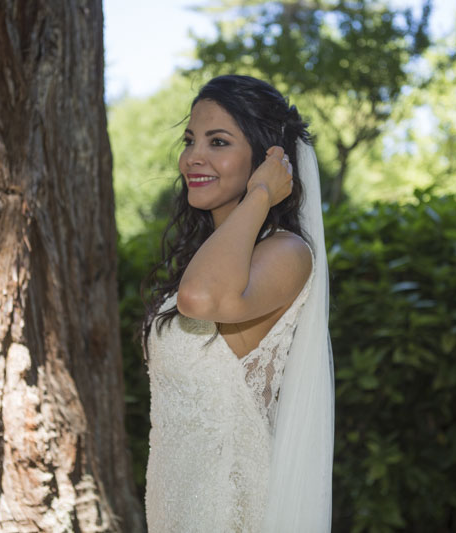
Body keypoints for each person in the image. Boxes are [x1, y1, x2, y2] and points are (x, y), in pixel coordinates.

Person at [141, 75, 334, 532]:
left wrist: (261, 193)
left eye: (218, 141)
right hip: (175, 507)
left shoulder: (286, 253)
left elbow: (200, 299)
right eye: (190, 140)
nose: (193, 157)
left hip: (231, 510)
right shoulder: (212, 257)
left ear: (268, 158)